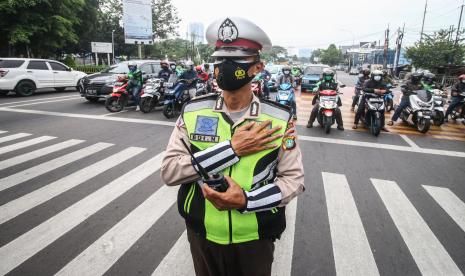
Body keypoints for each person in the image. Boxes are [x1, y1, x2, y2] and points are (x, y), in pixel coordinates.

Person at [161, 16, 304, 276]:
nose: (224, 67)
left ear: (257, 67)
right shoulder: (193, 112)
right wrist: (231, 149)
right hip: (202, 235)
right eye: (219, 60)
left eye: (236, 61)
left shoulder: (279, 119)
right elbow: (170, 171)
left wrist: (246, 201)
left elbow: (293, 180)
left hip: (254, 240)